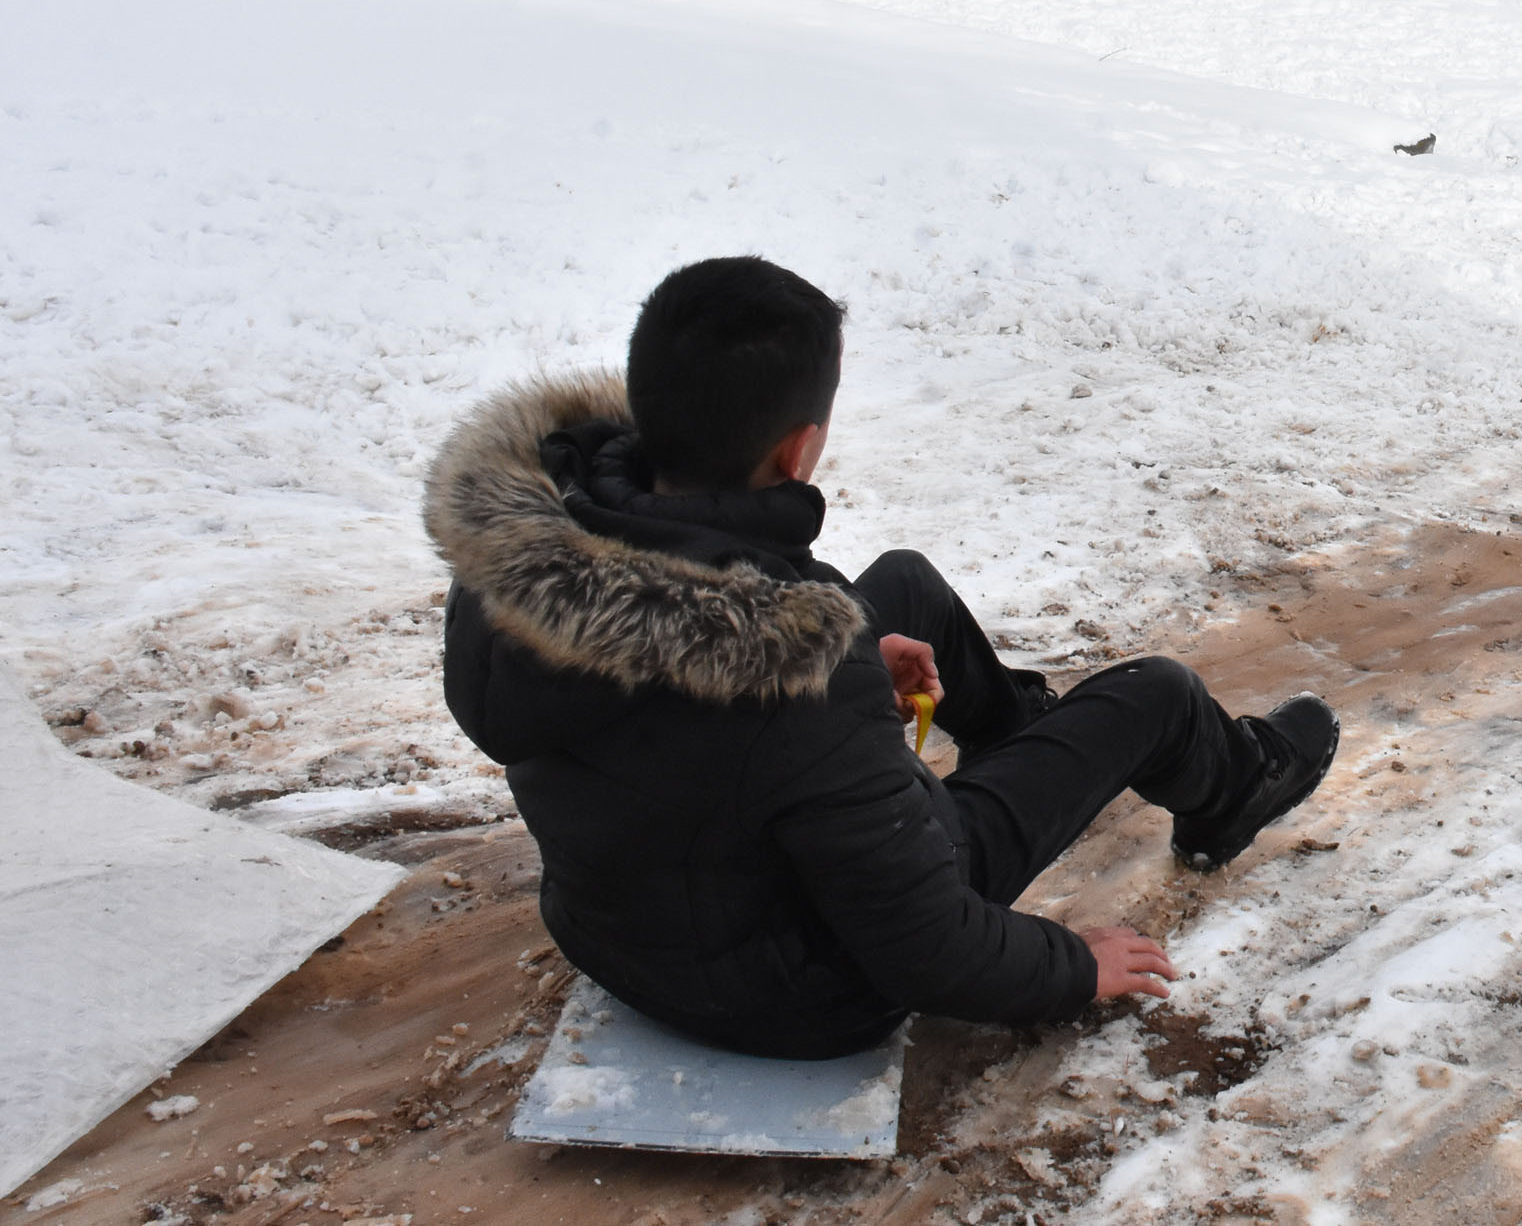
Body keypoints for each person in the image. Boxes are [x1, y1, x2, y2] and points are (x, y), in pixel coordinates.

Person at [429, 257, 1338, 1060]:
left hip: (625, 926)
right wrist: (1071, 968)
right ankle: (1231, 793)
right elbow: (925, 948)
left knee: (904, 586)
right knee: (1159, 694)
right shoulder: (802, 685)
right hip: (798, 991)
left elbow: (699, 647)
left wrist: (858, 652)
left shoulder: (525, 566)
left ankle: (1016, 740)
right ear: (799, 448)